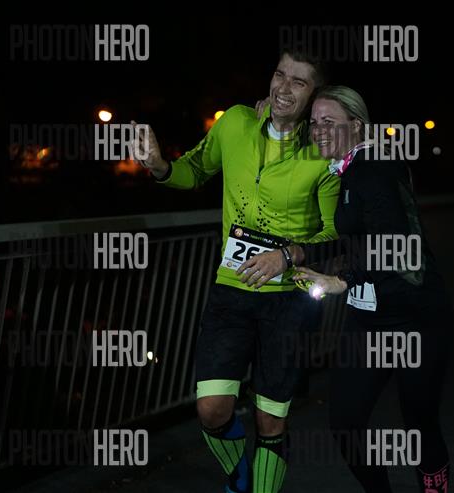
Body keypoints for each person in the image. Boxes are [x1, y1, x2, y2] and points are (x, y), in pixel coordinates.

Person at [133, 50, 340, 493]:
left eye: (299, 82)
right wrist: (160, 166)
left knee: (270, 421)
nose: (283, 88)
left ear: (315, 94)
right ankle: (239, 476)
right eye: (280, 74)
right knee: (211, 409)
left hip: (289, 299)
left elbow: (333, 234)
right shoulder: (235, 123)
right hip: (231, 290)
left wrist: (287, 256)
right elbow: (194, 170)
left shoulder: (322, 153)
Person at [239, 86, 452, 493]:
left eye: (329, 122)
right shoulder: (347, 169)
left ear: (356, 125)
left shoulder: (375, 166)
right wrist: (292, 255)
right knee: (346, 422)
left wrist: (341, 280)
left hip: (414, 317)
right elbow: (351, 238)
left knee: (420, 423)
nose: (318, 130)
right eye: (314, 122)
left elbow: (393, 241)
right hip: (368, 319)